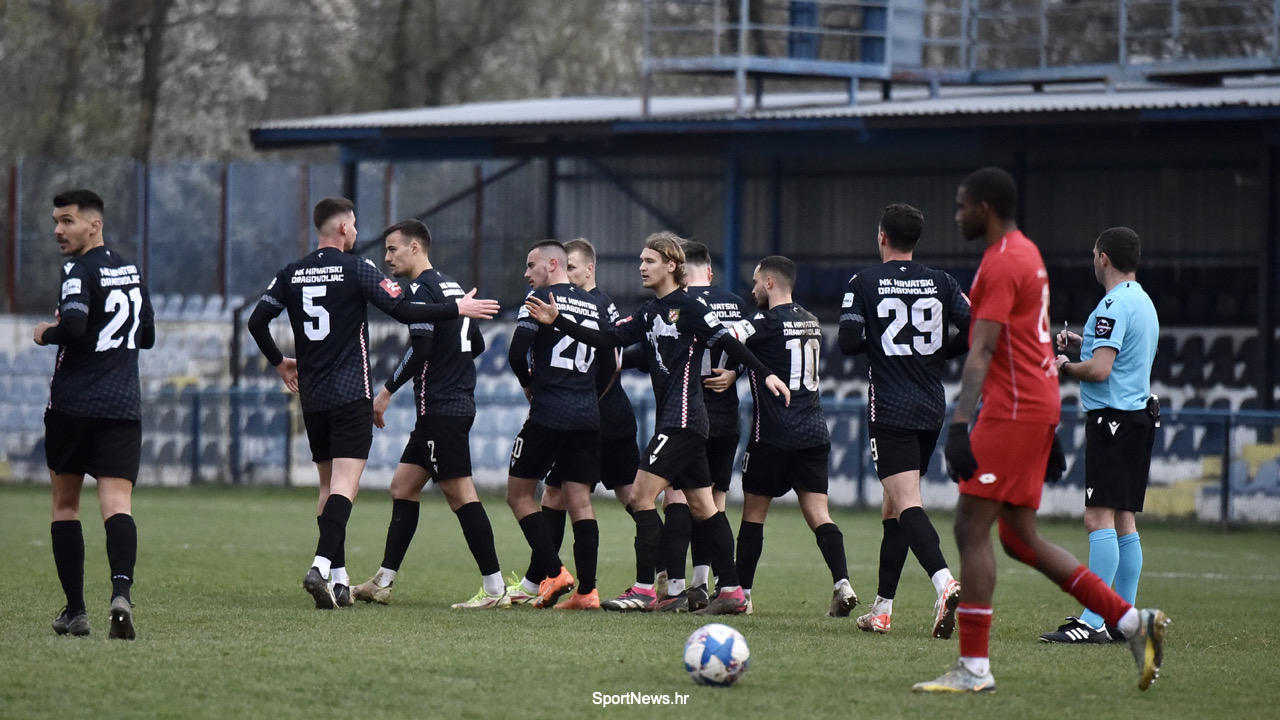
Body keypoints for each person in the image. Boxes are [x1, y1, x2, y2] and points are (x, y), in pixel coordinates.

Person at [915, 167, 1168, 694]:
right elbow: (1031, 344)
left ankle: (974, 668)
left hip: (1012, 410)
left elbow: (983, 348)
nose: (957, 215)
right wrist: (1046, 423)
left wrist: (960, 423)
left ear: (985, 208)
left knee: (970, 528)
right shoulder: (1028, 254)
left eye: (961, 206)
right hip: (1033, 406)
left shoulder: (1002, 261)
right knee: (1019, 538)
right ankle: (1130, 622)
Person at [247, 197, 499, 610]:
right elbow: (404, 310)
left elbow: (256, 321)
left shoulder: (291, 272)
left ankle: (344, 579)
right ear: (344, 228)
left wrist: (279, 362)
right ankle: (324, 567)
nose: (380, 251)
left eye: (392, 248)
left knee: (332, 486)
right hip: (352, 394)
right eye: (356, 225)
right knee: (354, 486)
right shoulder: (357, 269)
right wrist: (457, 308)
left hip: (314, 395)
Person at [523, 231, 790, 616]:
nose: (641, 267)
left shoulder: (691, 307)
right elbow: (607, 339)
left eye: (649, 261)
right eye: (641, 261)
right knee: (704, 507)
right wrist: (559, 320)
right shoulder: (649, 312)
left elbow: (730, 343)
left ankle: (645, 589)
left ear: (671, 265)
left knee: (639, 496)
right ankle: (732, 591)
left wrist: (765, 374)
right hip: (680, 421)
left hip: (682, 421)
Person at [350, 219, 508, 609]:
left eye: (392, 249)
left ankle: (494, 589)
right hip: (446, 406)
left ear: (415, 247)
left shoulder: (421, 290)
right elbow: (476, 343)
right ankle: (383, 582)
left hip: (442, 408)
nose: (387, 258)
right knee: (403, 487)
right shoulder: (451, 287)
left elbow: (420, 349)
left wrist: (386, 391)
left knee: (460, 494)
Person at [838, 203, 969, 638]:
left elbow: (848, 341)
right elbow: (975, 327)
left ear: (882, 237)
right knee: (893, 506)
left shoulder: (863, 281)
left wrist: (883, 345)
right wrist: (939, 352)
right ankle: (882, 609)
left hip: (891, 407)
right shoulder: (943, 281)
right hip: (931, 404)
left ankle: (944, 582)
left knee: (907, 502)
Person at [36, 189, 154, 640]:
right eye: (56, 221)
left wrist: (47, 332)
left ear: (94, 225)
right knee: (117, 505)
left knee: (65, 506)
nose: (58, 230)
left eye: (67, 221)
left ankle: (76, 610)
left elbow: (74, 327)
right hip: (122, 405)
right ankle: (120, 594)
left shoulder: (77, 270)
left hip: (73, 405)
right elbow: (147, 336)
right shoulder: (132, 270)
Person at [1039, 227, 1159, 644]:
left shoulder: (1112, 304)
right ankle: (1121, 619)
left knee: (1098, 517)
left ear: (1104, 258)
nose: (1093, 260)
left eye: (1094, 254)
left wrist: (1065, 366)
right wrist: (1082, 344)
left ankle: (1092, 621)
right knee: (1124, 519)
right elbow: (1120, 357)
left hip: (1113, 421)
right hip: (1138, 418)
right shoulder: (1142, 300)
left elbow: (1101, 369)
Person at [727, 256, 859, 618]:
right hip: (813, 431)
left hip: (772, 434)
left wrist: (750, 369)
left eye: (757, 282)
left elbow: (728, 338)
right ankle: (843, 583)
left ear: (770, 283)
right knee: (819, 514)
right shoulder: (811, 320)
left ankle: (744, 596)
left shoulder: (764, 321)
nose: (753, 289)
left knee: (754, 516)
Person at [504, 240, 608, 610]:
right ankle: (588, 592)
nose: (526, 273)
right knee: (579, 499)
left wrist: (530, 386)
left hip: (549, 411)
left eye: (531, 265)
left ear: (552, 264)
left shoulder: (539, 299)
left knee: (518, 494)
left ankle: (555, 571)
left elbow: (517, 354)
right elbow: (609, 361)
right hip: (587, 414)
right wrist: (588, 394)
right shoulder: (594, 304)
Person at [536, 239, 640, 605]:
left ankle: (560, 582)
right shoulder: (589, 303)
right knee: (566, 493)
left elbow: (614, 362)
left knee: (572, 496)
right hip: (598, 415)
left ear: (589, 269)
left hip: (592, 418)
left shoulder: (596, 304)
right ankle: (664, 573)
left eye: (573, 268)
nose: (567, 274)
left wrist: (584, 401)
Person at [658, 239, 751, 611]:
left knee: (678, 498)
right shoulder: (736, 303)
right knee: (714, 503)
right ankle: (706, 582)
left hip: (688, 412)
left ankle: (677, 587)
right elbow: (747, 347)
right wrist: (734, 372)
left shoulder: (678, 305)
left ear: (679, 268)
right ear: (710, 271)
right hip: (726, 416)